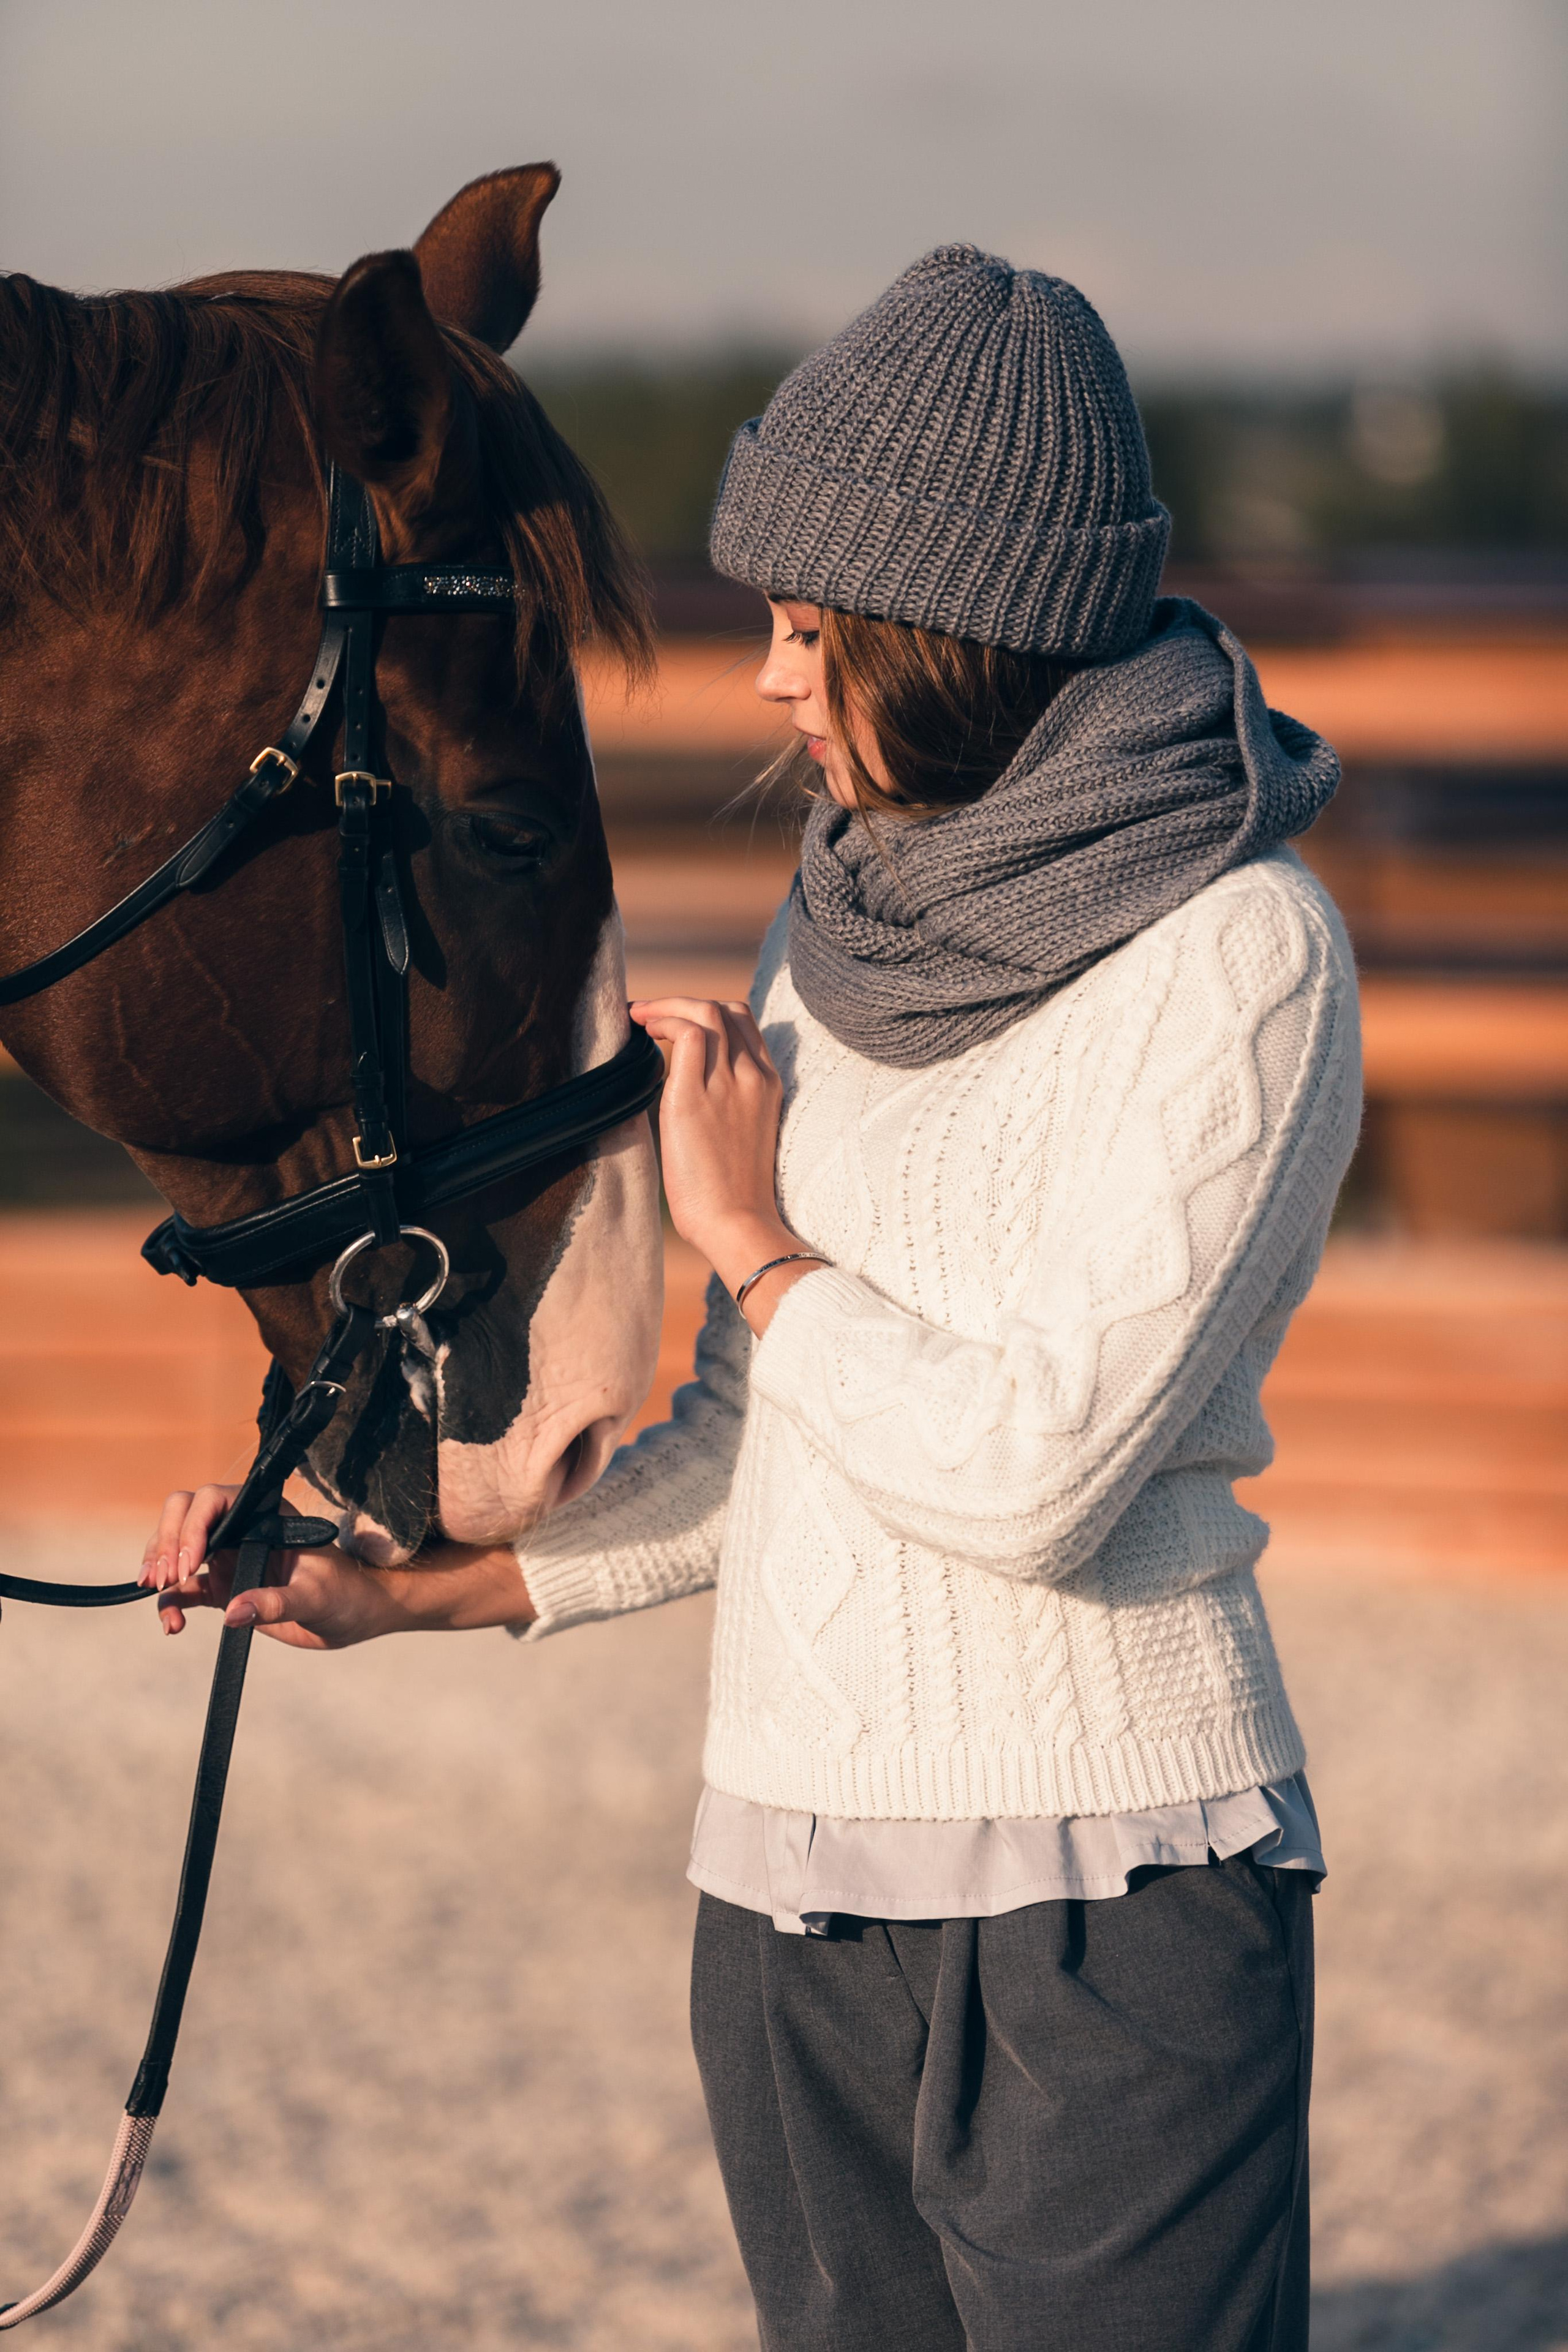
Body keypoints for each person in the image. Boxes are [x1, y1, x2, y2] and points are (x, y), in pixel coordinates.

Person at [147, 246, 1360, 2351]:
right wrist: (403, 1589)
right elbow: (766, 1443)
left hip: (1118, 1901)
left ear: (956, 633)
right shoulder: (847, 927)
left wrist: (759, 1248)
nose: (773, 683)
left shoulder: (1246, 952)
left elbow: (1032, 1478)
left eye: (813, 630)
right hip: (790, 1895)